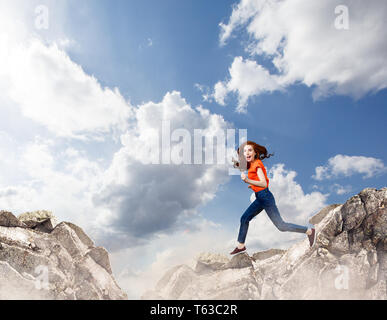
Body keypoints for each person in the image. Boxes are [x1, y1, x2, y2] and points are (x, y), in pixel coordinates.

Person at [230, 141, 316, 255]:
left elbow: (264, 183)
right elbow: (246, 168)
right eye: (245, 151)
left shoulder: (257, 164)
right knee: (244, 218)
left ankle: (309, 231)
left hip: (265, 197)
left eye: (250, 150)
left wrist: (247, 181)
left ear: (255, 152)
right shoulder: (251, 164)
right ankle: (241, 246)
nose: (247, 153)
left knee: (281, 226)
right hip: (259, 198)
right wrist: (237, 164)